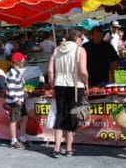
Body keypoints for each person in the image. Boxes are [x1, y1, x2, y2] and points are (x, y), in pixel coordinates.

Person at [47, 29, 88, 158]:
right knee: (72, 114)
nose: (81, 41)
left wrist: (53, 84)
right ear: (76, 38)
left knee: (60, 114)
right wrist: (87, 83)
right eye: (81, 38)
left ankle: (57, 147)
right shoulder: (79, 50)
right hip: (75, 84)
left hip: (59, 83)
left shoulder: (57, 50)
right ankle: (69, 148)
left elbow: (49, 71)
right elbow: (83, 70)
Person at [6, 52, 28, 149]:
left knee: (25, 117)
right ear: (17, 62)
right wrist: (16, 99)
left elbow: (16, 86)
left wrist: (22, 82)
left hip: (20, 99)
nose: (24, 60)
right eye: (22, 59)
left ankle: (22, 138)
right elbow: (10, 89)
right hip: (15, 101)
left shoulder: (17, 72)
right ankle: (13, 140)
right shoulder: (12, 73)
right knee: (14, 120)